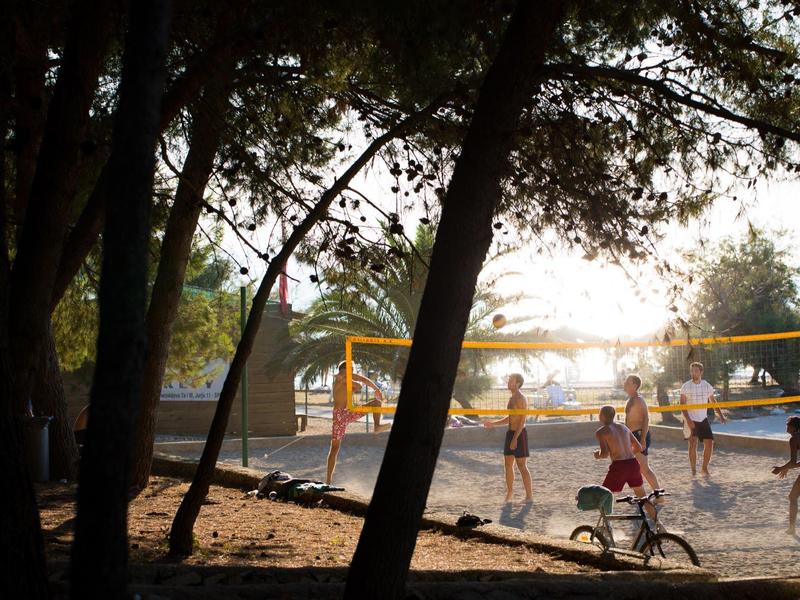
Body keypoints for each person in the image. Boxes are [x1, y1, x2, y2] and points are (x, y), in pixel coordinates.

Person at [326, 361, 390, 484]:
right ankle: (328, 480)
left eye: (353, 369)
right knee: (334, 448)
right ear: (344, 369)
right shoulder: (340, 377)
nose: (352, 371)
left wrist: (376, 389)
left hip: (346, 413)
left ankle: (377, 426)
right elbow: (358, 385)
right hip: (340, 415)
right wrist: (346, 380)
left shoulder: (347, 377)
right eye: (350, 369)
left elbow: (363, 380)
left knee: (376, 403)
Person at [593, 405, 655, 518]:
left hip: (619, 466)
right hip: (633, 464)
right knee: (643, 497)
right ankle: (658, 523)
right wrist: (627, 451)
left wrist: (597, 455)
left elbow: (604, 454)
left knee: (603, 494)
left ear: (602, 416)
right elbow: (639, 447)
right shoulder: (624, 427)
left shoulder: (601, 432)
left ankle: (606, 524)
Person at [483, 373, 533, 503]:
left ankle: (529, 496)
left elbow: (522, 420)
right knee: (508, 464)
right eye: (509, 380)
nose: (508, 382)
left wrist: (515, 438)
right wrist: (493, 424)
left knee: (521, 465)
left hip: (519, 434)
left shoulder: (521, 398)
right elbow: (510, 418)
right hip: (510, 433)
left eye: (511, 380)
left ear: (517, 383)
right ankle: (509, 494)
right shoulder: (512, 398)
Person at [680, 361, 726, 476]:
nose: (693, 373)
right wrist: (688, 420)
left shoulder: (706, 385)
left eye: (696, 371)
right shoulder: (685, 386)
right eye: (692, 371)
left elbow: (713, 401)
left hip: (703, 419)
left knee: (709, 443)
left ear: (701, 372)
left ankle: (704, 469)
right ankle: (693, 470)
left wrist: (720, 415)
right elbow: (682, 405)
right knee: (693, 444)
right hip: (691, 419)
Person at [623, 374, 661, 492]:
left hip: (639, 436)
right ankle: (646, 495)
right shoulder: (631, 400)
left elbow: (646, 419)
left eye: (628, 382)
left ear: (635, 385)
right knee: (638, 469)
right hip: (633, 436)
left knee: (644, 469)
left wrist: (643, 439)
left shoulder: (639, 400)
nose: (625, 384)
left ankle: (658, 495)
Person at [772, 416, 800, 535]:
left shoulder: (794, 439)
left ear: (794, 427)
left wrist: (780, 468)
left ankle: (792, 528)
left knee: (793, 497)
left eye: (788, 424)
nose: (786, 426)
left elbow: (793, 462)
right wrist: (786, 467)